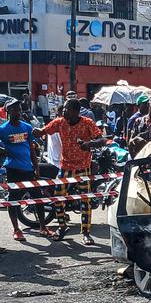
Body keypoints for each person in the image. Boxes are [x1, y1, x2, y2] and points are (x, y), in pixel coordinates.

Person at [33, 99, 106, 245]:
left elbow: (102, 140)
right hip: (65, 167)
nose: (63, 111)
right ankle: (62, 227)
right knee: (58, 198)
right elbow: (43, 131)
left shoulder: (87, 123)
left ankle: (86, 233)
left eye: (66, 109)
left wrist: (89, 144)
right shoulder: (59, 122)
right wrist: (36, 131)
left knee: (85, 200)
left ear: (75, 111)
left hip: (83, 168)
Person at [0, 98, 54, 240]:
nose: (18, 112)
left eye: (19, 109)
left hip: (28, 169)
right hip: (13, 170)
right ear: (8, 111)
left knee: (38, 198)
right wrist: (3, 151)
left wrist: (36, 167)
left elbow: (31, 149)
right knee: (13, 200)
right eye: (14, 109)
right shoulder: (3, 129)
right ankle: (17, 229)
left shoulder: (27, 127)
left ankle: (43, 227)